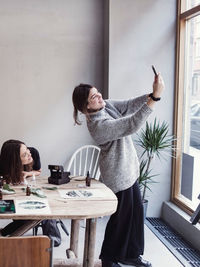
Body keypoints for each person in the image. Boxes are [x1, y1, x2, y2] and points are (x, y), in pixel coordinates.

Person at [72, 73, 164, 267]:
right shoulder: (98, 125)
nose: (100, 97)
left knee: (136, 214)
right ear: (87, 107)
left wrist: (152, 93)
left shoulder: (106, 106)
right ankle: (109, 259)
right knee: (120, 220)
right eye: (94, 97)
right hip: (117, 175)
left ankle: (131, 255)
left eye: (98, 93)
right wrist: (154, 99)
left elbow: (130, 104)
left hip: (129, 172)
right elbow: (130, 125)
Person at [0, 140, 61, 241]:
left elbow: (38, 171)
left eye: (27, 149)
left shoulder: (33, 153)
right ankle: (52, 238)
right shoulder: (0, 166)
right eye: (24, 154)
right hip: (15, 197)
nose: (29, 154)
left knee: (44, 208)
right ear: (15, 161)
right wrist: (8, 176)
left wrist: (28, 173)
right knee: (26, 212)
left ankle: (3, 233)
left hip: (32, 192)